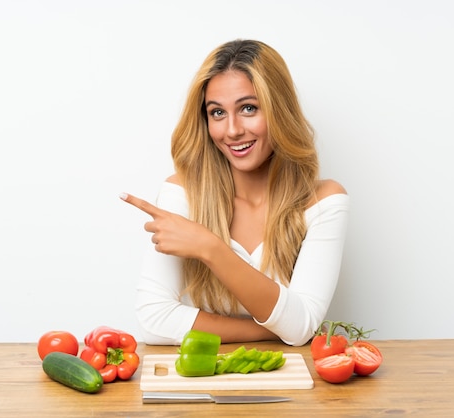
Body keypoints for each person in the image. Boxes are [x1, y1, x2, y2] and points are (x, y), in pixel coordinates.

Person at [120, 39, 348, 346]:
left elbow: (301, 327)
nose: (232, 130)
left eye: (249, 108)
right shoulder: (182, 194)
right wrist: (274, 329)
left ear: (279, 110)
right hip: (201, 378)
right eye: (217, 113)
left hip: (290, 383)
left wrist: (211, 248)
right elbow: (153, 321)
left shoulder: (323, 202)